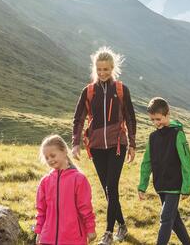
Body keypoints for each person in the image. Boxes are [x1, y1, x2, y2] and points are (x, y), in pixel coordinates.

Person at [71, 47, 137, 244]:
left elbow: (130, 118)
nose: (102, 73)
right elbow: (78, 119)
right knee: (107, 189)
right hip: (97, 146)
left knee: (112, 187)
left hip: (118, 144)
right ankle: (122, 226)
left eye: (106, 69)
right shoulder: (89, 91)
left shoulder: (121, 90)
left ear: (112, 68)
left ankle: (108, 232)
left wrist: (132, 144)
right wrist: (75, 144)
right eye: (99, 69)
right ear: (95, 69)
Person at [136, 98, 190, 245]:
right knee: (174, 220)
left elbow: (185, 162)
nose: (156, 123)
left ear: (168, 115)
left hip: (174, 184)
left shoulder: (177, 134)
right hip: (160, 184)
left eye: (159, 119)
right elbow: (147, 162)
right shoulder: (152, 137)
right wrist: (142, 186)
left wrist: (186, 187)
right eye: (153, 120)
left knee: (166, 218)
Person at [35, 135, 97, 245]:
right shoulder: (45, 181)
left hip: (73, 238)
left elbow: (85, 207)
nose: (50, 160)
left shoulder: (79, 179)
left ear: (64, 152)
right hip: (48, 238)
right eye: (47, 157)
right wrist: (39, 231)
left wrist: (90, 228)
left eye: (53, 155)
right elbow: (41, 210)